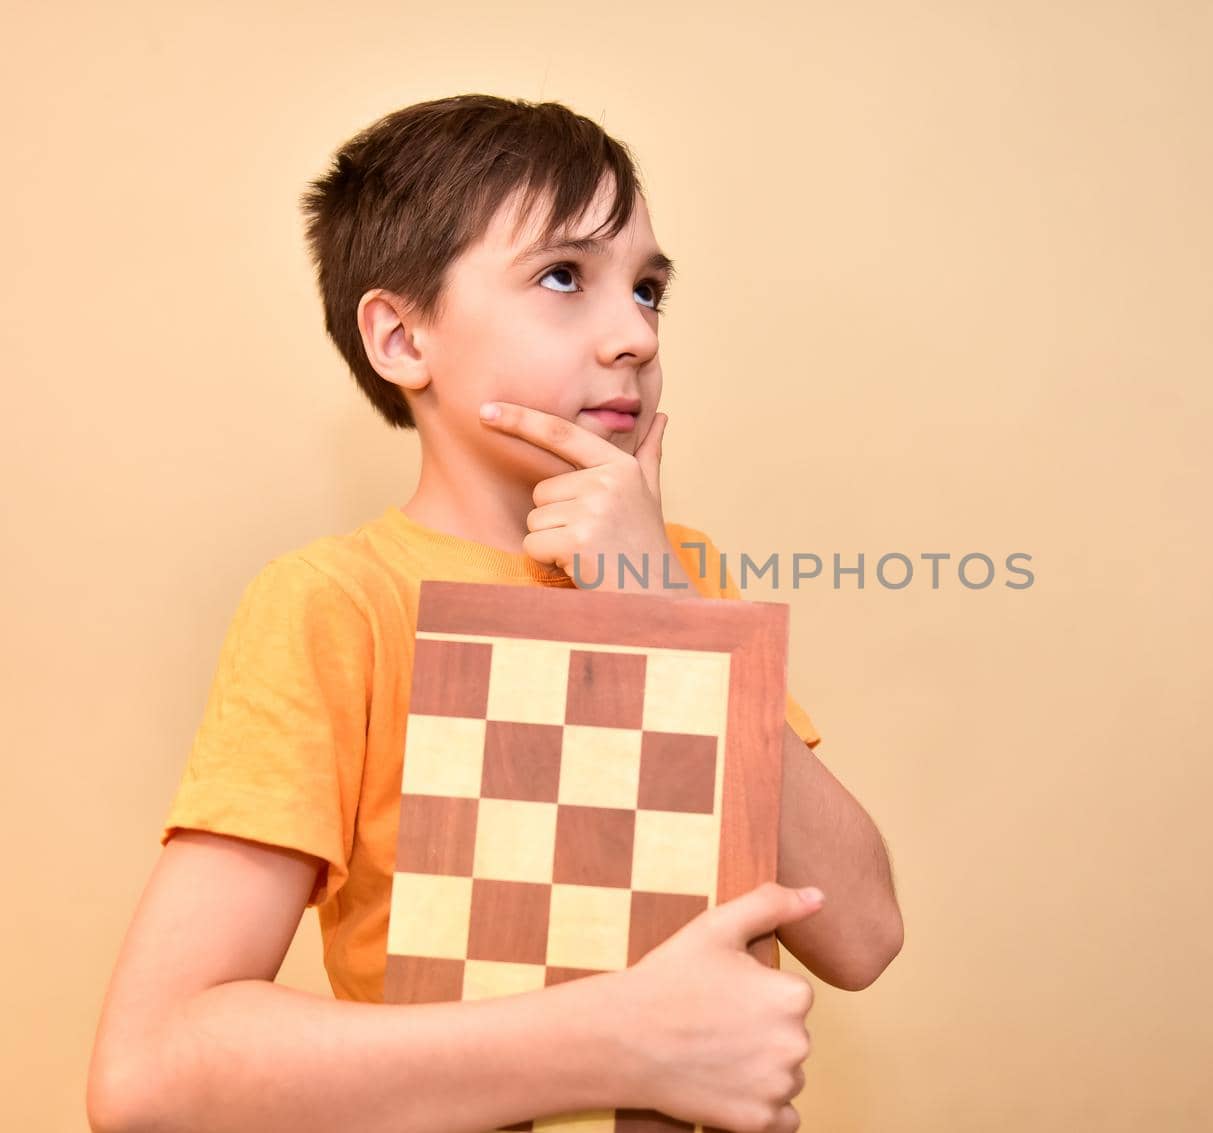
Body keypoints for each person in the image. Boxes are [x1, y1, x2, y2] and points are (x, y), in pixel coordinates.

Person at [86, 94, 903, 1133]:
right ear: (401, 336)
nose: (632, 333)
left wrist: (665, 608)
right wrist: (623, 1038)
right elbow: (150, 1072)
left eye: (649, 287)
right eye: (563, 276)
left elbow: (864, 933)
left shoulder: (682, 574)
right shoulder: (342, 601)